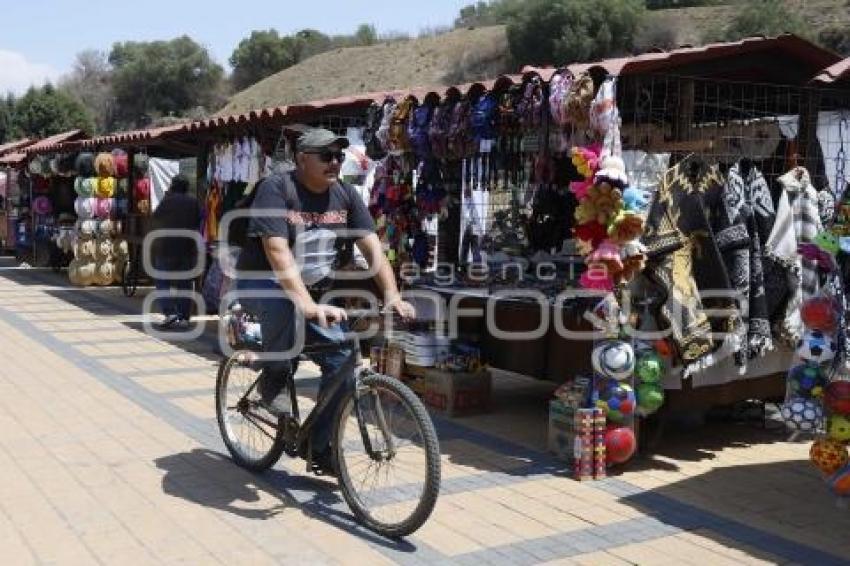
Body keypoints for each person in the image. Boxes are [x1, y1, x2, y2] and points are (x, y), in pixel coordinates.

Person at [235, 128, 415, 475]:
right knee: (285, 305)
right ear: (302, 159)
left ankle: (318, 446)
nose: (336, 163)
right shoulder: (277, 188)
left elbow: (371, 246)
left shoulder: (346, 194)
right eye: (326, 156)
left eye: (339, 156)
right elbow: (275, 249)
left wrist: (392, 294)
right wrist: (305, 304)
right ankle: (273, 377)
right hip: (261, 281)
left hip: (312, 289)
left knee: (343, 360)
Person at [151, 174, 202, 329]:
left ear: (173, 185)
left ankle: (170, 312)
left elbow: (155, 218)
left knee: (162, 281)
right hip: (187, 247)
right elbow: (199, 220)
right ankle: (184, 317)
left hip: (167, 247)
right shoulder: (193, 202)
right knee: (184, 284)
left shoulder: (167, 201)